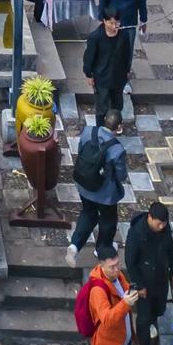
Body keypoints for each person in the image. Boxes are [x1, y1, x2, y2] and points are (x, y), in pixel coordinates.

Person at [124, 202, 173, 345]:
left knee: (158, 310)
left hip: (161, 281)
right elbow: (130, 262)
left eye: (164, 223)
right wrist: (139, 285)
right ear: (150, 217)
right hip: (144, 283)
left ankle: (151, 324)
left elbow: (171, 250)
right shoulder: (136, 234)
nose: (162, 226)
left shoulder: (164, 230)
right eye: (159, 223)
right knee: (143, 319)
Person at [67, 113, 128, 264]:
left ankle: (74, 245)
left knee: (88, 214)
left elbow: (80, 150)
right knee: (108, 221)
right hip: (105, 194)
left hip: (84, 185)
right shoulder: (117, 149)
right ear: (119, 127)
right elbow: (121, 176)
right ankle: (102, 248)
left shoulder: (88, 131)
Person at [83, 11, 134, 121]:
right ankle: (101, 128)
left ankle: (116, 123)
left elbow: (127, 54)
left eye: (117, 23)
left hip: (118, 76)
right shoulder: (95, 37)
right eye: (111, 23)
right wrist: (88, 74)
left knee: (117, 103)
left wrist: (126, 71)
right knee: (102, 106)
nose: (114, 26)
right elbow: (89, 57)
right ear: (105, 21)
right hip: (102, 77)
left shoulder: (124, 36)